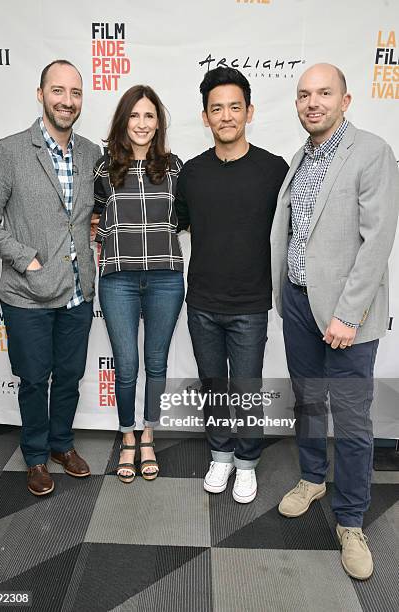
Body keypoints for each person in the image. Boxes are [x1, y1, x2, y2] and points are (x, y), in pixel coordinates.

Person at [271, 63, 399, 579]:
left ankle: (350, 521)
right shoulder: (301, 157)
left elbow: (377, 243)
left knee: (350, 417)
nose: (313, 103)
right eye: (304, 95)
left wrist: (348, 314)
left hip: (348, 312)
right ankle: (312, 478)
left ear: (346, 100)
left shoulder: (371, 152)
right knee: (307, 399)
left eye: (324, 93)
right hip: (299, 304)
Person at [0, 60, 101, 496]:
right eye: (58, 91)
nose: (67, 101)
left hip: (79, 290)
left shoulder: (90, 154)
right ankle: (36, 456)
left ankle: (63, 444)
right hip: (27, 293)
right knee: (33, 378)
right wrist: (26, 259)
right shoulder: (10, 151)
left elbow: (84, 216)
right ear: (41, 93)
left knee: (69, 375)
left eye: (75, 93)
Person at [175, 67, 288, 504]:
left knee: (246, 387)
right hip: (201, 300)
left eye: (234, 107)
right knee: (212, 384)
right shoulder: (193, 173)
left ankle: (246, 463)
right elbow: (177, 223)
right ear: (205, 117)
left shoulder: (273, 170)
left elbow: (293, 229)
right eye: (216, 108)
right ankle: (220, 455)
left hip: (249, 304)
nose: (226, 116)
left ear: (249, 112)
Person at [93, 85, 184, 483]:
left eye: (149, 116)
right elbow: (94, 219)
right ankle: (127, 435)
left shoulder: (175, 167)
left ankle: (149, 434)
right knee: (126, 365)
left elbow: (185, 219)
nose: (142, 124)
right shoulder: (104, 168)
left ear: (158, 123)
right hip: (118, 281)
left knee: (157, 363)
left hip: (165, 278)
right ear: (123, 120)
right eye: (135, 115)